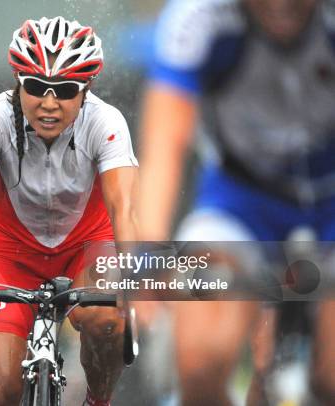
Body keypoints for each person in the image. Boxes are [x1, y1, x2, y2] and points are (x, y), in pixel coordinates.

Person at [138, 0, 335, 404]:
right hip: (239, 203)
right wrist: (148, 254)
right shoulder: (198, 17)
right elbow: (164, 145)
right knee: (199, 360)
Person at [0, 16, 139, 406]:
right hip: (10, 255)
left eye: (64, 90)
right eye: (35, 87)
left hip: (87, 251)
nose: (49, 103)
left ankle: (98, 401)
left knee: (105, 319)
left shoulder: (107, 122)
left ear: (86, 89)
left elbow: (123, 209)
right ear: (18, 82)